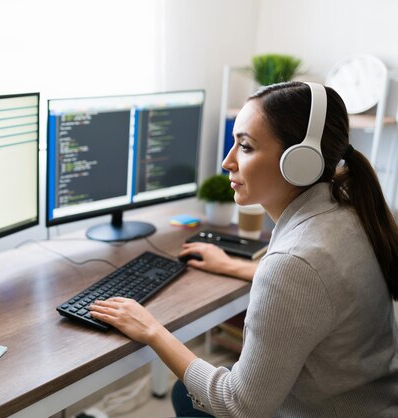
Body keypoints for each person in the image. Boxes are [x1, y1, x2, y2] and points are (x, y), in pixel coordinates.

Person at [89, 81, 398, 417]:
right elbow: (324, 289)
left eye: (246, 147)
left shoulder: (295, 263)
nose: (227, 161)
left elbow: (240, 406)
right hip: (372, 401)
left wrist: (152, 330)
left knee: (185, 394)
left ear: (301, 161)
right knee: (185, 394)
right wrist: (236, 267)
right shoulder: (348, 208)